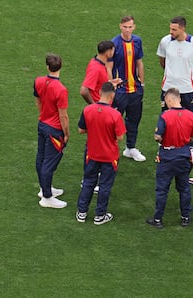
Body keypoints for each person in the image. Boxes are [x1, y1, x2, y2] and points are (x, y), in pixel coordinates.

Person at [146, 88, 193, 228]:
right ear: (179, 99)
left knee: (162, 189)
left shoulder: (165, 116)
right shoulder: (191, 116)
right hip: (184, 156)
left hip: (167, 157)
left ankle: (158, 220)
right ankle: (185, 218)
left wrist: (158, 137)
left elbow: (158, 137)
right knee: (184, 188)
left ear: (169, 100)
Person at [76, 82, 126, 225]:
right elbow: (120, 137)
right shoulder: (115, 115)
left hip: (92, 153)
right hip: (109, 156)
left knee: (88, 182)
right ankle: (100, 215)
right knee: (105, 186)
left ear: (99, 92)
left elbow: (81, 130)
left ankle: (81, 212)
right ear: (112, 96)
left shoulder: (88, 110)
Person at [107, 16, 146, 162]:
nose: (128, 30)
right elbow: (109, 67)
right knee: (114, 121)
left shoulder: (137, 41)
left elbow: (139, 63)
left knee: (134, 119)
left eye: (130, 27)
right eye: (125, 27)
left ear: (134, 27)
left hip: (135, 89)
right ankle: (110, 149)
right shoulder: (114, 43)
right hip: (120, 90)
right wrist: (111, 85)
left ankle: (130, 148)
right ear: (120, 26)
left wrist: (142, 83)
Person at [34, 53, 69, 208]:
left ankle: (44, 188)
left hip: (42, 123)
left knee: (41, 157)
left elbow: (38, 102)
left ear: (47, 67)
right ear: (60, 67)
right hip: (54, 129)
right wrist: (66, 133)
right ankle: (47, 197)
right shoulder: (61, 90)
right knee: (49, 162)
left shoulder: (38, 81)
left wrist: (43, 115)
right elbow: (63, 116)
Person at [157, 16, 193, 115]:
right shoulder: (165, 41)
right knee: (167, 117)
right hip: (168, 86)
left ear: (183, 29)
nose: (171, 32)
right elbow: (162, 61)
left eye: (174, 29)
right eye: (170, 29)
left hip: (187, 88)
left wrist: (187, 73)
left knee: (190, 117)